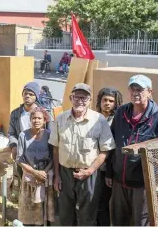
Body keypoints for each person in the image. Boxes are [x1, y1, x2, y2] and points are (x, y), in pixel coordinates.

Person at [106, 75, 158, 226]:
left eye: (140, 89)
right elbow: (111, 144)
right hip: (118, 180)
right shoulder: (121, 112)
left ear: (149, 92)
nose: (135, 93)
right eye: (132, 89)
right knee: (118, 220)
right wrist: (109, 172)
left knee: (141, 222)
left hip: (142, 184)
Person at [49, 83, 115, 226]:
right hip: (65, 173)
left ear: (90, 100)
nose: (80, 101)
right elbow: (55, 148)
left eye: (84, 98)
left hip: (89, 175)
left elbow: (106, 150)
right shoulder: (60, 118)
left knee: (87, 215)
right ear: (70, 98)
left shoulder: (99, 120)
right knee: (66, 214)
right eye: (77, 97)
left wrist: (90, 170)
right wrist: (57, 175)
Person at [17, 107, 55, 226]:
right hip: (29, 178)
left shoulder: (49, 135)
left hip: (45, 178)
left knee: (44, 210)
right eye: (34, 118)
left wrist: (44, 172)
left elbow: (54, 156)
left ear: (44, 120)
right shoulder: (23, 135)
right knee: (29, 211)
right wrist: (34, 173)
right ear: (30, 119)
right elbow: (19, 159)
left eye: (39, 118)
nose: (36, 120)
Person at [95, 87, 123, 226]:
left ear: (116, 103)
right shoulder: (93, 117)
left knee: (103, 204)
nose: (107, 103)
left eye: (111, 101)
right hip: (91, 167)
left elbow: (114, 148)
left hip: (107, 169)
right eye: (104, 100)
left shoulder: (117, 120)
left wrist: (110, 173)